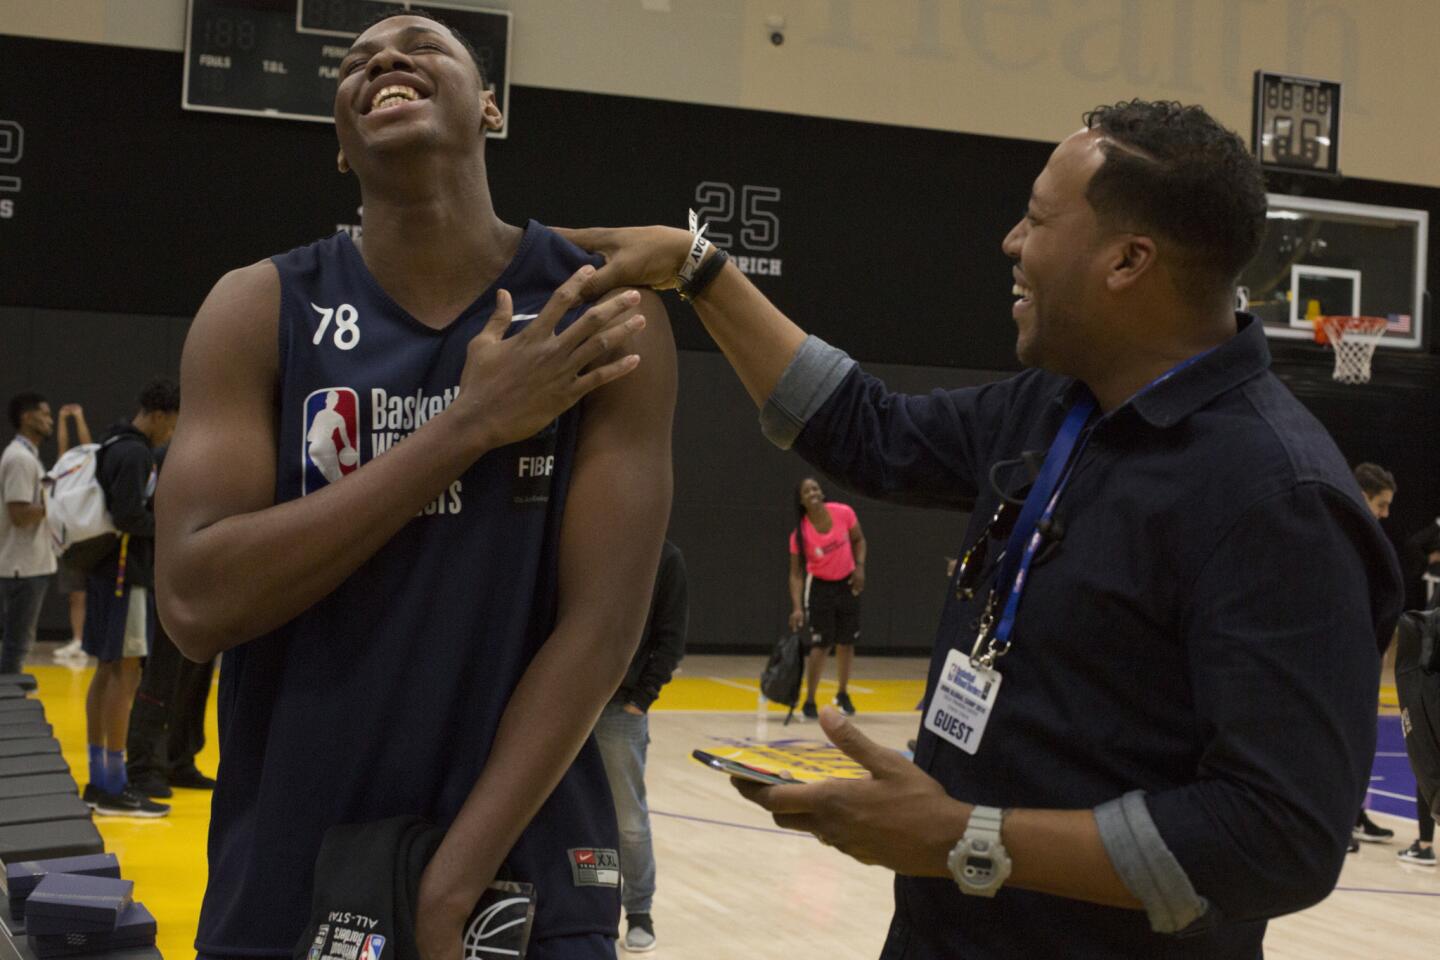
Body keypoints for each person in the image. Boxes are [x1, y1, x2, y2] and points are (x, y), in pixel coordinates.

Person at [562, 100, 1402, 957]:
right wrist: (699, 268)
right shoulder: (1061, 404)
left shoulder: (1278, 499)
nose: (1010, 241)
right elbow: (869, 430)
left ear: (1128, 260)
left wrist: (968, 837)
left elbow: (1279, 838)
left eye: (1037, 218)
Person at [154, 11, 675, 960]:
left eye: (422, 47)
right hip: (293, 862)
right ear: (342, 149)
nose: (383, 60)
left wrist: (449, 882)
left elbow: (601, 631)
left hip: (524, 866)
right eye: (355, 63)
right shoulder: (257, 306)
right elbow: (194, 600)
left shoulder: (599, 309)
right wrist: (469, 427)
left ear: (490, 107)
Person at [81, 379, 180, 818]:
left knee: (107, 671)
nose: (172, 434)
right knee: (125, 674)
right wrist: (172, 526)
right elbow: (128, 515)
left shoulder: (111, 440)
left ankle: (100, 778)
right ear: (159, 415)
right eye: (173, 425)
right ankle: (115, 786)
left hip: (104, 571)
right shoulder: (135, 452)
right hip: (125, 573)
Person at [593, 540, 688, 953]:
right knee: (575, 813)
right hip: (569, 702)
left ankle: (638, 912)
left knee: (628, 818)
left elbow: (670, 638)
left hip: (619, 708)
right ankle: (590, 913)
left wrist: (641, 698)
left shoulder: (665, 558)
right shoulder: (586, 542)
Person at [126, 443, 219, 798]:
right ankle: (142, 767)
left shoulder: (215, 454)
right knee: (160, 680)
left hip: (206, 583)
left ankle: (179, 760)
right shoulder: (171, 454)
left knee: (195, 679)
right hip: (172, 583)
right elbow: (147, 514)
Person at [787, 476, 866, 720]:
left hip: (847, 583)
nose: (812, 492)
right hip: (820, 588)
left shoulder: (843, 513)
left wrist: (860, 567)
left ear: (821, 492)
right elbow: (796, 575)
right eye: (806, 490)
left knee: (846, 642)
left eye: (815, 488)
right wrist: (797, 607)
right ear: (801, 500)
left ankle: (842, 693)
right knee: (821, 645)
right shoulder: (800, 534)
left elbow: (859, 540)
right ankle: (810, 700)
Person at [1350, 462, 1398, 849]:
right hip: (1337, 660)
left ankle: (1353, 815)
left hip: (1362, 655)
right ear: (1361, 494)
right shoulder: (1334, 535)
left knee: (1362, 741)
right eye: (1380, 504)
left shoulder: (1367, 540)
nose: (1384, 514)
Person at [1, 393, 56, 675]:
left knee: (17, 644)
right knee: (15, 647)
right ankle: (8, 708)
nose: (50, 420)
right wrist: (55, 505)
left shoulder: (28, 456)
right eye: (45, 414)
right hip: (21, 568)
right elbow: (19, 515)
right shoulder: (20, 459)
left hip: (28, 565)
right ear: (26, 417)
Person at [53, 403, 92, 661]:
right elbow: (62, 451)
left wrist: (78, 417)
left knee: (90, 594)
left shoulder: (91, 469)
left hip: (91, 540)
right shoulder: (64, 473)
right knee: (75, 595)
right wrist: (61, 419)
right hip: (70, 541)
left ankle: (88, 640)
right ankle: (78, 639)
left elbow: (87, 447)